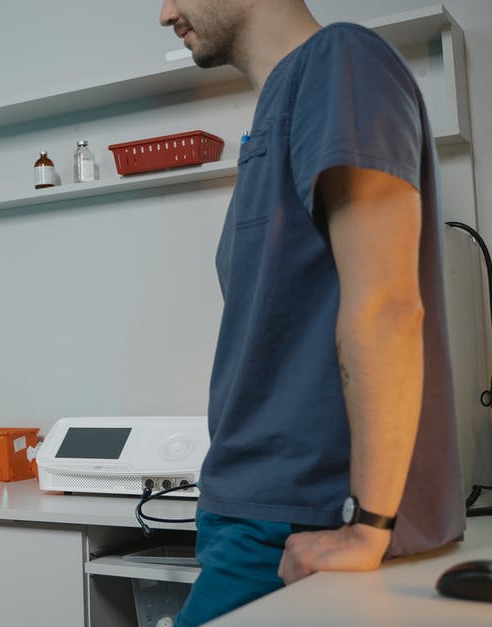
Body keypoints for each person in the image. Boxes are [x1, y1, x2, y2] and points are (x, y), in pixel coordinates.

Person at [155, 1, 467, 624]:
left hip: (301, 522)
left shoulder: (340, 59)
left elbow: (386, 306)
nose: (165, 13)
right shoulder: (278, 114)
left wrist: (368, 524)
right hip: (255, 515)